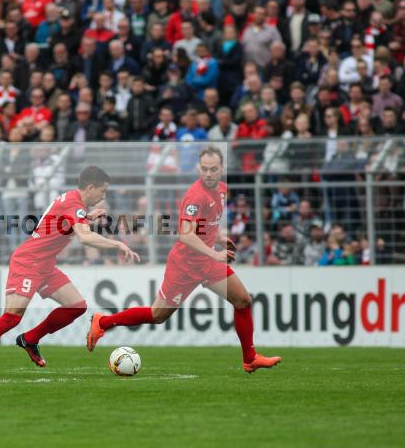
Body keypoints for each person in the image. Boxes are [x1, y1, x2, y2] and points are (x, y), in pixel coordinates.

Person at [86, 146, 282, 373]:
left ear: (222, 169)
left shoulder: (222, 190)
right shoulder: (195, 195)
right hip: (185, 265)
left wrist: (219, 237)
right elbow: (185, 234)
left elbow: (206, 223)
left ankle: (250, 359)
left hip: (207, 263)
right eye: (204, 169)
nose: (208, 174)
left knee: (243, 300)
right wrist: (215, 253)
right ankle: (102, 322)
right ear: (199, 168)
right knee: (158, 315)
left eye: (213, 169)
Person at [0, 166, 140, 377]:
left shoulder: (73, 203)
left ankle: (30, 338)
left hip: (45, 265)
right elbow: (84, 237)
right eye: (102, 191)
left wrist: (87, 217)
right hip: (29, 262)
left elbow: (66, 221)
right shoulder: (72, 203)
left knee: (76, 306)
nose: (103, 196)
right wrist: (117, 245)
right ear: (90, 187)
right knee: (11, 317)